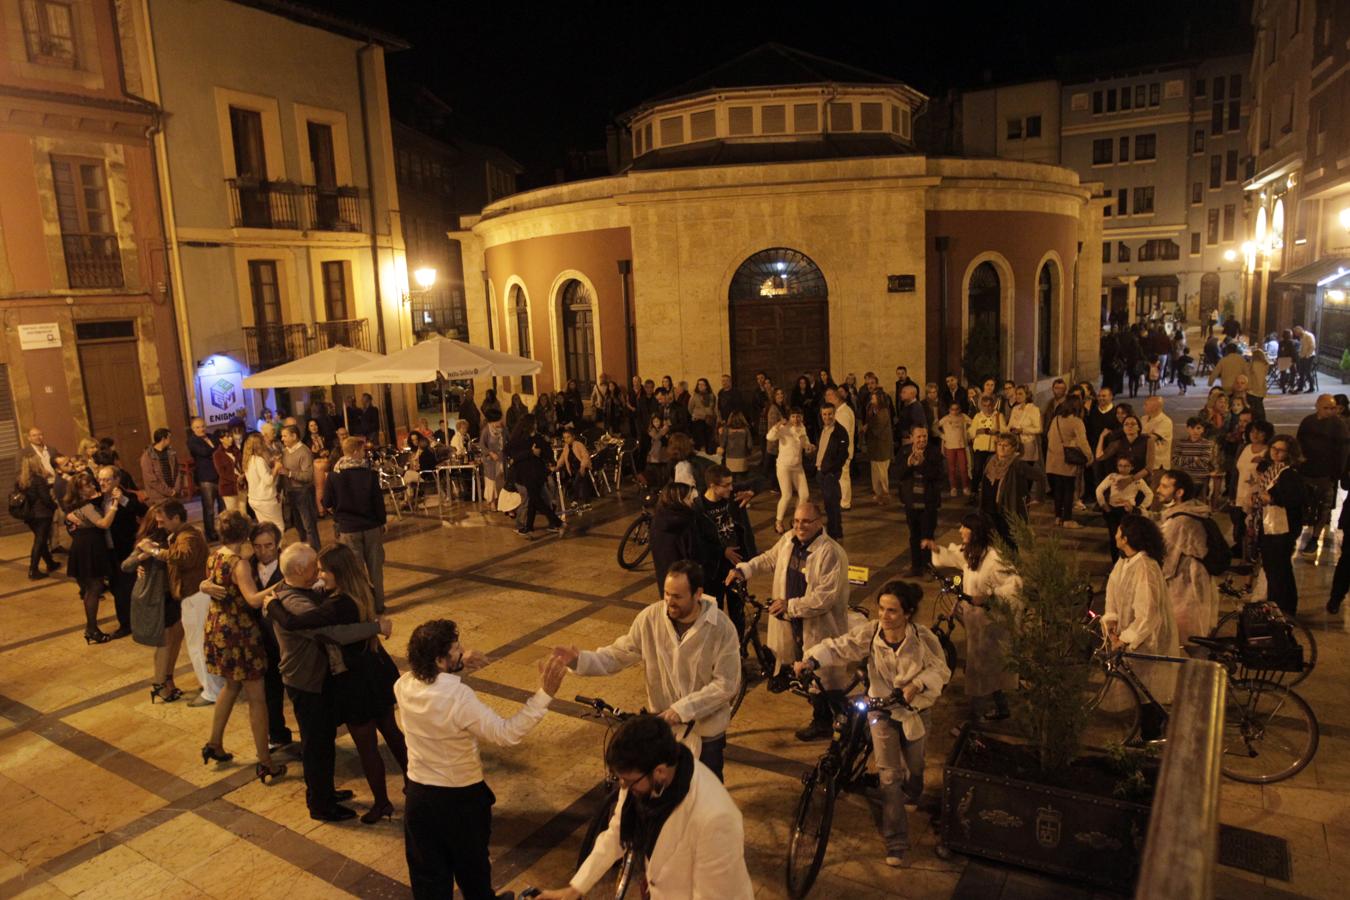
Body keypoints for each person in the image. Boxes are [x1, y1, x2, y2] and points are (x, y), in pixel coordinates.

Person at [396, 619, 565, 898]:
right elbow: (506, 733)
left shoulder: (403, 685)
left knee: (428, 880)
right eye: (456, 650)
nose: (462, 652)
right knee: (472, 873)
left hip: (419, 798)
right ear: (440, 659)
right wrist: (544, 694)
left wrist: (458, 664)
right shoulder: (459, 697)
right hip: (460, 802)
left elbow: (430, 678)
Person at [794, 581, 949, 867]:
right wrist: (811, 660)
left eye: (892, 611)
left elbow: (941, 670)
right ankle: (897, 841)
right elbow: (841, 646)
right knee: (889, 776)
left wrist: (917, 684)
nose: (885, 616)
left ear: (908, 613)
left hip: (916, 711)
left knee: (915, 767)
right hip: (881, 712)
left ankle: (913, 791)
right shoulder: (871, 633)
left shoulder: (924, 639)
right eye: (881, 609)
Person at [554, 559, 739, 779]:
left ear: (698, 594)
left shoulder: (722, 627)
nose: (669, 602)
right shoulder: (650, 618)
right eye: (667, 594)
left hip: (706, 733)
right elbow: (618, 654)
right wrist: (580, 661)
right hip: (665, 731)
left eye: (677, 596)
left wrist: (682, 709)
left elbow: (726, 684)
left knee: (707, 795)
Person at [538, 714, 754, 900]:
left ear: (659, 772)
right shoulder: (645, 777)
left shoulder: (715, 818)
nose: (623, 787)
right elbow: (617, 833)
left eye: (628, 781)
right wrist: (575, 889)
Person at [267, 544, 408, 823]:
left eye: (323, 570)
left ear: (337, 573)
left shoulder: (335, 603)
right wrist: (376, 627)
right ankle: (415, 785)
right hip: (376, 669)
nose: (319, 576)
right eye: (315, 569)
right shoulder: (358, 588)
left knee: (365, 744)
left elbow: (309, 626)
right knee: (391, 732)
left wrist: (272, 605)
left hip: (356, 680)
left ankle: (380, 803)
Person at [729, 500, 850, 741]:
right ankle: (823, 714)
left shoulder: (831, 553)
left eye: (806, 521)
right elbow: (768, 559)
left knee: (822, 673)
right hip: (792, 620)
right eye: (795, 521)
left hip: (816, 623)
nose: (799, 526)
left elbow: (824, 598)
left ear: (819, 522)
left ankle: (832, 721)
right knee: (802, 665)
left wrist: (790, 606)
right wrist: (745, 569)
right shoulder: (788, 541)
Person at [198, 511, 288, 783]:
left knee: (230, 686)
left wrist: (204, 585)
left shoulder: (214, 555)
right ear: (245, 535)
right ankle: (265, 762)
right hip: (240, 636)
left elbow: (214, 585)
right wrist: (282, 585)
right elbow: (251, 600)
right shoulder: (239, 564)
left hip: (218, 629)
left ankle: (214, 743)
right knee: (257, 699)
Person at [923, 512, 1020, 722]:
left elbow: (1014, 586)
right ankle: (1001, 706)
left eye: (964, 527)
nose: (960, 531)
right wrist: (937, 549)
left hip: (990, 624)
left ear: (975, 532)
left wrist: (989, 596)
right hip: (975, 622)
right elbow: (958, 556)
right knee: (987, 667)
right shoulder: (973, 552)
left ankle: (977, 715)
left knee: (980, 667)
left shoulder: (995, 559)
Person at [1102, 515, 1180, 726]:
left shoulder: (1145, 567)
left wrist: (1125, 638)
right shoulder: (1124, 561)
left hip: (1148, 640)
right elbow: (1113, 591)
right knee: (1138, 686)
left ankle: (1151, 736)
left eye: (1119, 531)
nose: (1115, 534)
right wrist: (1111, 620)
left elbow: (1147, 613)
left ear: (1126, 538)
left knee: (1148, 688)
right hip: (1130, 637)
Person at [324, 436, 389, 614]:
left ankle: (364, 607)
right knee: (376, 568)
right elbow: (378, 502)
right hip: (371, 526)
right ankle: (379, 604)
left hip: (348, 528)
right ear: (354, 452)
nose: (364, 454)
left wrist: (338, 514)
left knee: (356, 572)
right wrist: (382, 522)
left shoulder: (333, 476)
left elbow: (327, 501)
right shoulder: (369, 474)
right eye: (362, 451)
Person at [691, 466, 757, 638]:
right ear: (713, 486)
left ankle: (738, 649)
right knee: (712, 613)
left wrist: (753, 491)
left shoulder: (734, 498)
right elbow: (698, 542)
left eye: (731, 483)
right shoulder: (699, 509)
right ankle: (714, 651)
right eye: (726, 485)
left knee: (738, 612)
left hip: (736, 566)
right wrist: (722, 551)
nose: (731, 488)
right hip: (713, 570)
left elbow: (764, 480)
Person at [1156, 470, 1220, 646]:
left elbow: (1167, 560)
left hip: (1186, 588)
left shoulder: (1181, 522)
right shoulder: (1191, 512)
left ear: (1179, 492)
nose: (1158, 489)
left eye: (1164, 486)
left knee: (1188, 640)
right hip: (1195, 584)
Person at [63, 472, 118, 644]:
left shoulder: (76, 505)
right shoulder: (86, 506)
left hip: (83, 545)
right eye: (88, 485)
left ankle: (91, 628)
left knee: (90, 589)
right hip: (90, 547)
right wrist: (115, 506)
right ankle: (92, 629)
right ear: (79, 490)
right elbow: (103, 523)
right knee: (94, 588)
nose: (93, 486)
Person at [1256, 435, 1306, 615]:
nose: (1275, 452)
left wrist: (1272, 498)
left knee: (1279, 569)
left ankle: (1284, 608)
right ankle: (1275, 605)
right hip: (1270, 526)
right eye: (1273, 448)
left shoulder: (1288, 473)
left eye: (1281, 450)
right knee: (1273, 568)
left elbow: (1295, 499)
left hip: (1281, 530)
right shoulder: (1272, 470)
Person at [1295, 395, 1349, 555]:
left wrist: (1337, 472)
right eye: (1326, 408)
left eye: (1333, 408)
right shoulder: (1308, 422)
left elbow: (1343, 451)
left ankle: (1315, 538)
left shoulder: (1338, 426)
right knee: (1303, 504)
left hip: (1325, 474)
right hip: (1306, 471)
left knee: (1323, 507)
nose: (1330, 411)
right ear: (1317, 406)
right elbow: (1299, 442)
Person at [99, 465, 148, 638]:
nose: (102, 483)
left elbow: (144, 511)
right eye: (100, 480)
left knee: (127, 588)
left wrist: (123, 501)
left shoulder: (126, 496)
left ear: (117, 480)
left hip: (125, 548)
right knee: (116, 587)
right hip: (108, 551)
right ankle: (126, 623)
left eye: (107, 480)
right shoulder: (98, 498)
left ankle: (132, 623)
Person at [895, 426, 945, 575]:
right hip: (911, 502)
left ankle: (927, 567)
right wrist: (908, 465)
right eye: (919, 437)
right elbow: (898, 474)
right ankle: (916, 567)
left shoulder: (934, 452)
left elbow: (938, 475)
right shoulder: (904, 452)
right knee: (914, 536)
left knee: (927, 536)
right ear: (911, 437)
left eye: (925, 436)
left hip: (928, 503)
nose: (922, 439)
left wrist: (923, 464)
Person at [508, 415, 564, 536]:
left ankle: (537, 525)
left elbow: (547, 452)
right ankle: (545, 523)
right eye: (534, 423)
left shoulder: (538, 438)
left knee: (535, 499)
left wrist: (550, 462)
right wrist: (531, 452)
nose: (536, 425)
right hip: (526, 474)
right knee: (535, 499)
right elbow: (513, 457)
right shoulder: (519, 439)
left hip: (536, 474)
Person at [975, 433, 1031, 548]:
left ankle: (1011, 564)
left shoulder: (1017, 463)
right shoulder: (990, 460)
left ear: (1013, 448)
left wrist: (1031, 498)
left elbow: (1039, 476)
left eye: (1006, 445)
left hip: (1005, 508)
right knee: (991, 542)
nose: (1001, 448)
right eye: (999, 444)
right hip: (988, 507)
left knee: (1008, 541)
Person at [1095, 456, 1152, 562]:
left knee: (1128, 538)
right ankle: (1115, 564)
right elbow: (1099, 490)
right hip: (1112, 511)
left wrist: (1141, 508)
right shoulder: (1112, 477)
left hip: (1127, 512)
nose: (1123, 468)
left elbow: (1149, 494)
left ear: (1132, 467)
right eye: (1120, 465)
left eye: (1126, 466)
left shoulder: (1137, 480)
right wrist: (1104, 505)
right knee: (1114, 538)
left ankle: (1127, 562)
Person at [1046, 396, 1091, 529]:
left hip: (1053, 459)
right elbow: (1083, 442)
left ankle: (1058, 517)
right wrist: (1089, 456)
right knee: (1069, 489)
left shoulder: (1056, 419)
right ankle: (1067, 519)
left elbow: (1049, 436)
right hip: (1068, 460)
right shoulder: (1077, 422)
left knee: (1058, 489)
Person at [767, 408, 813, 534]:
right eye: (793, 416)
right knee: (786, 495)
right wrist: (777, 425)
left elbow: (804, 441)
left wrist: (809, 446)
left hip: (797, 466)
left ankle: (796, 520)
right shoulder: (784, 428)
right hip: (784, 466)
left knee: (804, 495)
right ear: (789, 417)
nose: (796, 419)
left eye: (798, 416)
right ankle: (778, 521)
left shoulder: (802, 427)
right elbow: (770, 437)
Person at [17, 456, 59, 580]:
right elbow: (46, 498)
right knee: (40, 541)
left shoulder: (21, 480)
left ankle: (50, 563)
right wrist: (54, 506)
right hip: (42, 515)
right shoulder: (38, 479)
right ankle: (33, 570)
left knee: (41, 540)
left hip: (29, 515)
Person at [814, 401, 850, 539]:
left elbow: (843, 454)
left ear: (834, 414)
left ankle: (834, 532)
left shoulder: (840, 432)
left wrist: (831, 470)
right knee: (828, 504)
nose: (827, 417)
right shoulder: (823, 429)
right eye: (824, 414)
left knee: (832, 503)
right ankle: (835, 530)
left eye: (830, 414)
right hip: (821, 472)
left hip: (829, 473)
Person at [1007, 385, 1045, 501]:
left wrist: (1022, 430)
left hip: (1028, 443)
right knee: (1017, 469)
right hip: (1016, 443)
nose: (1018, 396)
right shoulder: (1015, 409)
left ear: (1027, 395)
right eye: (1016, 394)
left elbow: (1039, 429)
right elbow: (1009, 425)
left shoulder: (1034, 409)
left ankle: (1026, 495)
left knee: (1027, 470)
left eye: (1020, 394)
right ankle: (1020, 494)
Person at [186, 419, 221, 542]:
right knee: (209, 508)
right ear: (193, 429)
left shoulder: (212, 436)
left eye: (202, 426)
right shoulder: (192, 441)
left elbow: (220, 448)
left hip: (219, 476)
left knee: (223, 506)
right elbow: (204, 452)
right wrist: (215, 449)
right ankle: (210, 533)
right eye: (197, 427)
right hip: (206, 477)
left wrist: (215, 449)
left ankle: (223, 530)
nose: (201, 429)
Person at [243, 434, 284, 529]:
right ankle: (276, 544)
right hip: (265, 499)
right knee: (278, 527)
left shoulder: (247, 460)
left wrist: (272, 467)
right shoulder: (258, 460)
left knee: (265, 527)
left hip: (254, 499)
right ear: (259, 445)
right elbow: (268, 480)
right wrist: (276, 468)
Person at [864, 388, 895, 503]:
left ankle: (884, 493)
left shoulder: (884, 411)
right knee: (875, 470)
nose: (871, 399)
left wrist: (868, 426)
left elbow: (878, 427)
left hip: (882, 446)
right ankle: (877, 492)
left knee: (882, 471)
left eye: (873, 397)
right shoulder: (872, 409)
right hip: (874, 445)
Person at [140, 428, 183, 504]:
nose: (170, 440)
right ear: (163, 439)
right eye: (169, 437)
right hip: (158, 497)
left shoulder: (171, 453)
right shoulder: (147, 456)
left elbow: (177, 471)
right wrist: (168, 492)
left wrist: (176, 490)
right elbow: (151, 480)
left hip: (173, 494)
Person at [966, 395, 1002, 484]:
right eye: (985, 405)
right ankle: (974, 491)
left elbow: (1004, 430)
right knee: (977, 470)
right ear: (981, 406)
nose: (987, 408)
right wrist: (979, 431)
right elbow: (970, 432)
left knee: (991, 471)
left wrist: (997, 432)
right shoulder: (978, 417)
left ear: (993, 405)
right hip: (980, 448)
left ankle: (988, 490)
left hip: (993, 448)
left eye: (989, 405)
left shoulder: (998, 416)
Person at [213, 431, 244, 515]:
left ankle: (245, 527)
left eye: (231, 436)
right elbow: (222, 473)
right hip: (228, 486)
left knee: (243, 511)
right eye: (227, 437)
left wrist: (243, 476)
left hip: (242, 484)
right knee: (233, 513)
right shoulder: (217, 454)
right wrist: (237, 478)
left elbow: (242, 464)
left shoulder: (235, 450)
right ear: (221, 439)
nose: (230, 439)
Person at [1294, 325, 1318, 393]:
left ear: (1299, 331)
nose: (1296, 334)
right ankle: (1300, 387)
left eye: (1296, 333)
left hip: (1309, 356)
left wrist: (1307, 356)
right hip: (1303, 356)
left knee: (1308, 372)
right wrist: (1300, 355)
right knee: (1301, 372)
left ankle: (1311, 387)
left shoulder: (1308, 336)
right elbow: (1302, 347)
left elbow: (1312, 346)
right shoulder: (1301, 337)